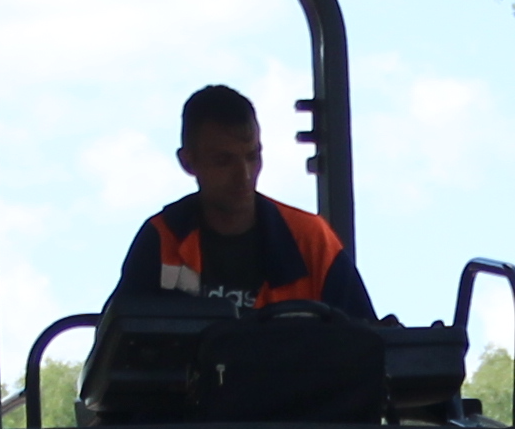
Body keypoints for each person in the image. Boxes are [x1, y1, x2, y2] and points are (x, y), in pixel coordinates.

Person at [105, 84, 374, 317]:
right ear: (188, 162)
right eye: (224, 161)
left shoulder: (312, 241)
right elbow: (117, 348)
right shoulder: (163, 240)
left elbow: (369, 346)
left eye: (252, 156)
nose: (243, 175)